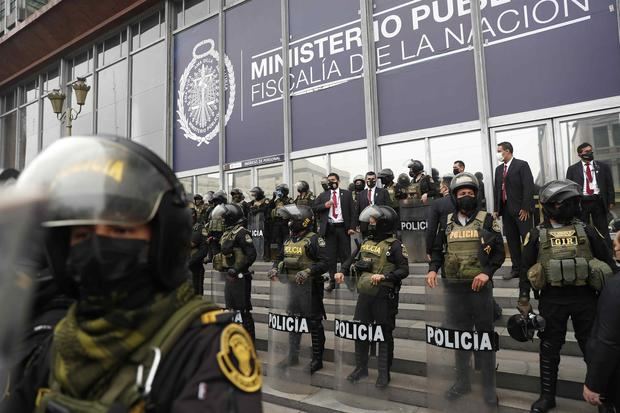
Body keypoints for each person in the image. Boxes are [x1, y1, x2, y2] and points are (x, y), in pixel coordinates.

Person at [9, 136, 262, 412]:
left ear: (161, 240)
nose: (98, 246)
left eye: (120, 230)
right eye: (82, 234)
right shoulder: (63, 339)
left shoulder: (204, 346)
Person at [518, 179, 616, 413]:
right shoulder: (536, 234)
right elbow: (525, 268)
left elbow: (608, 262)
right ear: (551, 205)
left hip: (586, 298)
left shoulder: (587, 230)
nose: (572, 207)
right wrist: (523, 298)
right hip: (552, 299)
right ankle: (547, 396)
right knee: (549, 348)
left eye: (573, 202)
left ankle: (604, 397)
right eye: (566, 203)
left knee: (592, 348)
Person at [426, 172, 505, 406]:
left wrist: (486, 273)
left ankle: (489, 386)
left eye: (470, 193)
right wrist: (432, 269)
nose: (467, 196)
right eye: (462, 193)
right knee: (459, 337)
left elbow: (499, 253)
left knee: (484, 339)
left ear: (476, 196)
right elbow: (439, 250)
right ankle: (462, 381)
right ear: (454, 197)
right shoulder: (447, 222)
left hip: (480, 292)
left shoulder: (488, 220)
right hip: (454, 291)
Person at [335, 205, 409, 388]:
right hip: (365, 295)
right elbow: (350, 260)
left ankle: (384, 373)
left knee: (384, 334)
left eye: (374, 220)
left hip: (384, 296)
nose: (370, 223)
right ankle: (361, 368)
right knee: (361, 332)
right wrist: (342, 271)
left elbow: (404, 269)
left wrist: (385, 276)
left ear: (384, 223)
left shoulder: (395, 245)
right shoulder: (366, 242)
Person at [268, 205, 329, 374]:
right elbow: (279, 258)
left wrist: (309, 271)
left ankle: (317, 360)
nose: (288, 223)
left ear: (303, 221)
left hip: (311, 289)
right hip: (292, 287)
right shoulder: (289, 240)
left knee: (315, 323)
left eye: (292, 220)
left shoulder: (315, 239)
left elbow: (325, 263)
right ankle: (292, 356)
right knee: (293, 321)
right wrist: (274, 268)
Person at [583, 230, 620, 411]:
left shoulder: (615, 287)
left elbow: (608, 341)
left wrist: (593, 383)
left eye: (618, 243)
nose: (616, 247)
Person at [211, 203, 257, 341]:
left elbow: (251, 255)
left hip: (240, 278)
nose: (223, 220)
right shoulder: (228, 232)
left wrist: (236, 269)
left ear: (232, 218)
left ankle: (250, 343)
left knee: (243, 312)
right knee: (231, 310)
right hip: (229, 277)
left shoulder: (242, 233)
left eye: (224, 218)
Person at [493, 141, 535, 280]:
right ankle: (516, 268)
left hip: (521, 211)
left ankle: (530, 268)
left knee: (527, 240)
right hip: (506, 211)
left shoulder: (521, 165)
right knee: (512, 241)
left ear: (508, 151)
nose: (498, 154)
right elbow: (497, 190)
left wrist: (526, 207)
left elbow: (528, 187)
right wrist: (496, 209)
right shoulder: (499, 169)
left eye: (500, 151)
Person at [313, 173, 357, 292]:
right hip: (329, 229)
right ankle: (333, 282)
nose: (331, 182)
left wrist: (352, 227)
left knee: (345, 256)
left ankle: (347, 281)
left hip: (343, 228)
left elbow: (353, 212)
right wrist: (325, 205)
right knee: (330, 257)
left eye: (333, 180)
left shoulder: (347, 194)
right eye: (329, 180)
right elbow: (314, 208)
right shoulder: (323, 195)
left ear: (338, 181)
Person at [566, 142, 615, 246]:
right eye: (587, 151)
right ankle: (588, 253)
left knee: (602, 230)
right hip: (582, 202)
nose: (590, 153)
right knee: (583, 229)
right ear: (580, 154)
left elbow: (609, 184)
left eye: (591, 151)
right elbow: (570, 188)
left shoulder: (602, 166)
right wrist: (571, 205)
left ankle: (607, 255)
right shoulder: (572, 169)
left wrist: (611, 201)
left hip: (598, 200)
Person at [189, 201, 208, 295]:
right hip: (183, 268)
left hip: (195, 267)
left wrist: (191, 261)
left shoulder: (200, 229)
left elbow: (204, 250)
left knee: (196, 293)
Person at [269, 184, 294, 259]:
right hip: (277, 222)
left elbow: (293, 211)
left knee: (286, 239)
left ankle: (285, 254)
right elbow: (269, 207)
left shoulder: (289, 200)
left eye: (279, 191)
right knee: (278, 240)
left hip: (285, 222)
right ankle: (280, 255)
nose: (278, 192)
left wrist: (283, 201)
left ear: (284, 191)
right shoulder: (277, 200)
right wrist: (273, 198)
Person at [204, 190, 228, 264]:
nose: (215, 202)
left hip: (223, 232)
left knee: (224, 249)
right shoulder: (211, 209)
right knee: (213, 247)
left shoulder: (226, 208)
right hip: (213, 232)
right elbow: (208, 220)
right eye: (215, 200)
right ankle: (213, 259)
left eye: (217, 200)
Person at [248, 186, 271, 261]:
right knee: (254, 239)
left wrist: (257, 209)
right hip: (254, 225)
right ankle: (255, 255)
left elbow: (267, 209)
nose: (254, 196)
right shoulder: (252, 202)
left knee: (265, 240)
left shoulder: (266, 200)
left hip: (264, 224)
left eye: (255, 194)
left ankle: (266, 256)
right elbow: (249, 208)